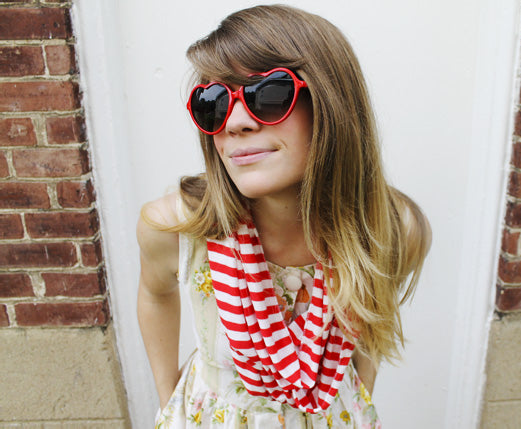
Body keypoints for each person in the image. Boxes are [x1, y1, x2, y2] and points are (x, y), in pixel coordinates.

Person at [137, 5, 431, 428]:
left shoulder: (389, 228)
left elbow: (372, 320)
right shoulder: (174, 228)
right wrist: (167, 399)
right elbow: (154, 294)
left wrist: (359, 395)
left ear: (331, 103)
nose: (235, 123)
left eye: (268, 95)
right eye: (214, 103)